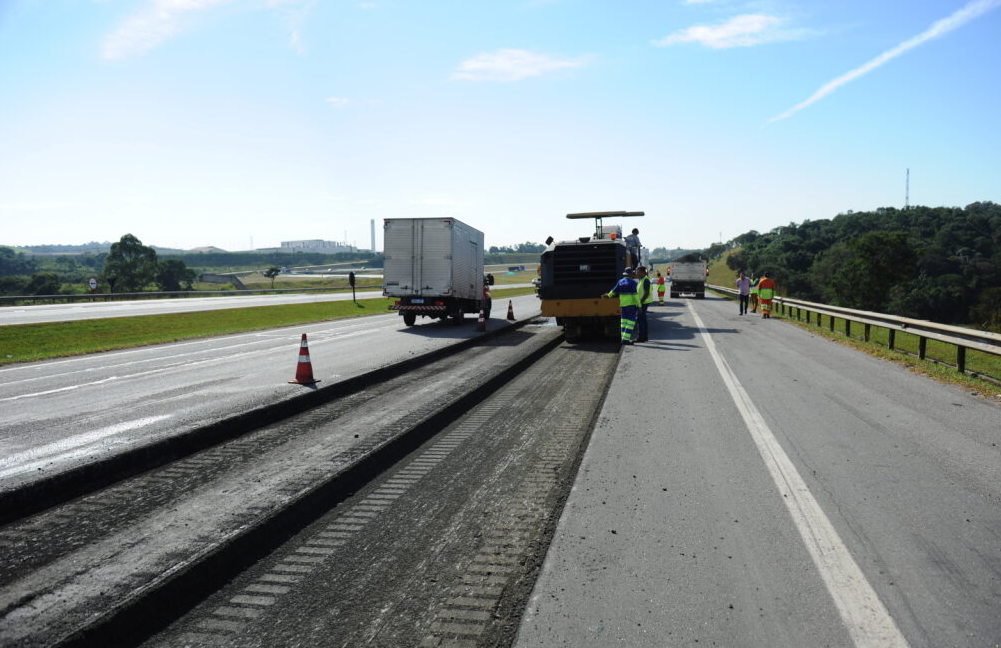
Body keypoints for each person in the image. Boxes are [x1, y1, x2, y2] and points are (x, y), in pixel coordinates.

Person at [604, 267, 639, 345]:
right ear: (631, 274)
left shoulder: (620, 282)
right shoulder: (633, 282)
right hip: (631, 305)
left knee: (623, 323)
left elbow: (613, 291)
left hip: (623, 305)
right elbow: (635, 295)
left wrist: (608, 295)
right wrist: (639, 305)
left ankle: (623, 339)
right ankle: (625, 340)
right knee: (630, 323)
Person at [636, 266, 653, 342]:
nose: (637, 273)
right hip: (642, 303)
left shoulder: (645, 280)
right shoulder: (641, 280)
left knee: (640, 320)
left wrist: (640, 302)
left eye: (638, 272)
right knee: (643, 320)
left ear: (643, 272)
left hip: (643, 303)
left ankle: (641, 337)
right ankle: (644, 337)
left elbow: (646, 293)